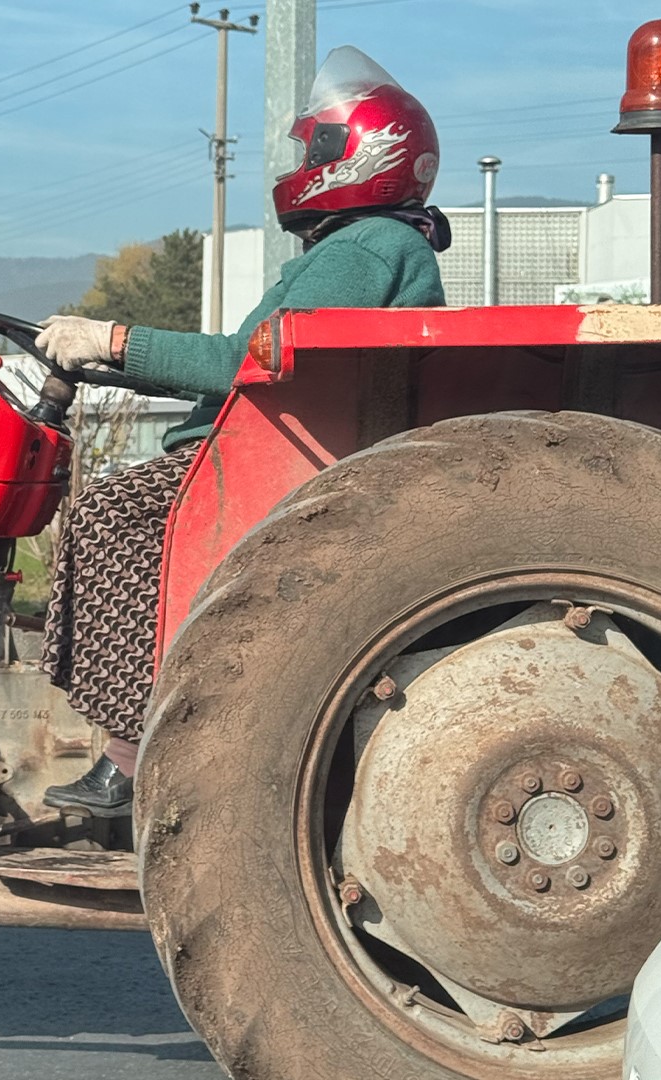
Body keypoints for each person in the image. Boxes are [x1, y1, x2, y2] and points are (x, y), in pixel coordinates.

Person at [35, 46, 451, 818]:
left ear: (365, 153)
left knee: (113, 516)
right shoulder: (371, 244)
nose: (303, 162)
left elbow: (246, 363)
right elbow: (243, 362)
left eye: (315, 148)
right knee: (113, 511)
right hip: (271, 443)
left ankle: (131, 756)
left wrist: (114, 338)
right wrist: (125, 359)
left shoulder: (365, 246)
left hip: (265, 458)